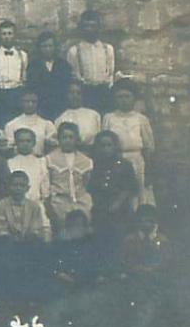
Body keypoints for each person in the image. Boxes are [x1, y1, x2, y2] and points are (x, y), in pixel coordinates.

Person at [0, 171, 53, 299]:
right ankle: (8, 292)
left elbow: (36, 227)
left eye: (21, 185)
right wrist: (10, 238)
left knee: (37, 250)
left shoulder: (34, 206)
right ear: (8, 186)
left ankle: (31, 291)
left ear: (27, 188)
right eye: (14, 185)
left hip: (27, 243)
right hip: (9, 242)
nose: (18, 188)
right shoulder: (0, 205)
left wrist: (30, 237)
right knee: (5, 252)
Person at [88, 130, 139, 279]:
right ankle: (102, 269)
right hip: (100, 206)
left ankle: (118, 268)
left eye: (109, 145)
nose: (105, 149)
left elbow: (130, 187)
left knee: (118, 237)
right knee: (100, 237)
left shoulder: (124, 165)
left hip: (120, 208)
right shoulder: (94, 164)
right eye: (102, 145)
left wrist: (117, 203)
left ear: (115, 146)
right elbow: (90, 187)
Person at [101, 79, 156, 208]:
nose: (123, 100)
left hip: (137, 162)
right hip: (116, 162)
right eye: (120, 97)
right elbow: (104, 141)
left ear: (134, 98)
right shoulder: (109, 118)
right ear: (114, 99)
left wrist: (148, 169)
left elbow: (148, 147)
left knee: (137, 197)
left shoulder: (141, 119)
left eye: (127, 96)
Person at [46, 122, 93, 231]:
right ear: (58, 139)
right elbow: (48, 182)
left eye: (71, 137)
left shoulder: (85, 160)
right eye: (64, 137)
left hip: (81, 201)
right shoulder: (50, 159)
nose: (67, 140)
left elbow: (86, 182)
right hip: (59, 202)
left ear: (76, 139)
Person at [66, 10, 115, 114]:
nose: (90, 30)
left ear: (98, 28)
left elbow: (111, 73)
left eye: (93, 26)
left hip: (104, 94)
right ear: (81, 28)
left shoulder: (108, 49)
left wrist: (107, 88)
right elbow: (73, 76)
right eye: (86, 26)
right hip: (85, 94)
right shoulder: (74, 51)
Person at [0, 20, 28, 129]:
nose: (7, 37)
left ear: (14, 35)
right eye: (4, 34)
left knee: (17, 124)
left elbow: (24, 76)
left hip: (17, 94)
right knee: (0, 124)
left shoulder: (22, 55)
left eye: (10, 33)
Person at [26, 30, 72, 121]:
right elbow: (32, 88)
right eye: (44, 46)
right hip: (41, 109)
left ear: (55, 47)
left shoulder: (63, 65)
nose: (47, 49)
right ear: (39, 48)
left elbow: (67, 86)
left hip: (61, 107)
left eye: (50, 46)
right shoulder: (33, 66)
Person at [4, 90, 57, 157]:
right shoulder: (11, 125)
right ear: (21, 103)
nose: (30, 104)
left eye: (33, 102)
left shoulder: (47, 124)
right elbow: (9, 149)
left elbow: (53, 148)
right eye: (27, 101)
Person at [121, 205, 170, 274]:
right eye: (144, 220)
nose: (147, 224)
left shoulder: (162, 240)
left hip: (157, 277)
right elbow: (127, 261)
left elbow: (166, 261)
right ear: (138, 222)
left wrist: (153, 238)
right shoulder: (130, 240)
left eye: (150, 220)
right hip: (135, 277)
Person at [7, 128, 50, 203]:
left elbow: (45, 185)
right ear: (16, 143)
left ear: (34, 143)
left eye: (28, 141)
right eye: (21, 141)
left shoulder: (40, 162)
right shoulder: (10, 163)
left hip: (35, 203)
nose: (25, 144)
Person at [55, 82, 102, 147]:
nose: (75, 96)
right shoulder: (60, 118)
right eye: (71, 93)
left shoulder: (94, 115)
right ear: (66, 95)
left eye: (78, 93)